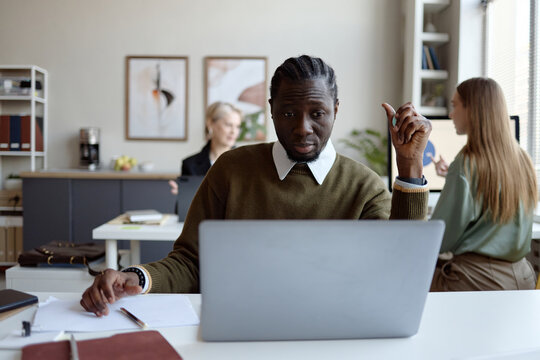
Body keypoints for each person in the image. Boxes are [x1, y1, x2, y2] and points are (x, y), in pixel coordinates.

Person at [81, 55, 432, 316]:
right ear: (271, 110)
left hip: (332, 330)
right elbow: (190, 262)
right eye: (289, 113)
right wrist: (137, 277)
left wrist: (410, 166)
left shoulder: (364, 187)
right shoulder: (232, 169)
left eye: (318, 113)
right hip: (237, 325)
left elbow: (396, 271)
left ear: (335, 110)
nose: (302, 128)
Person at [430, 77, 538, 291]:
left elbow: (439, 237)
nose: (451, 114)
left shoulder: (466, 163)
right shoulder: (523, 159)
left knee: (407, 281)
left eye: (454, 106)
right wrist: (451, 177)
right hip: (522, 277)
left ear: (472, 109)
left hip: (477, 281)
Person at [168, 101, 242, 195]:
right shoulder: (190, 164)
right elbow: (189, 205)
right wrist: (184, 195)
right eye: (228, 125)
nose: (234, 131)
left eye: (237, 126)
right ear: (210, 124)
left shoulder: (245, 163)